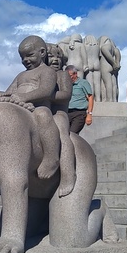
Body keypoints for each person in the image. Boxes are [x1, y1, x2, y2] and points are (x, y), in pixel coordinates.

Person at [6, 35, 60, 180]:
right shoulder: (20, 75)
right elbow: (8, 93)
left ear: (42, 52)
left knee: (42, 114)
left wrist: (23, 97)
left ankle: (51, 157)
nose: (25, 60)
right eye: (22, 57)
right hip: (19, 110)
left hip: (37, 109)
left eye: (29, 55)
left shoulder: (47, 71)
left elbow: (46, 90)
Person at [46, 43, 76, 196]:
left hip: (58, 113)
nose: (56, 60)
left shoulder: (62, 75)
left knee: (63, 135)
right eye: (51, 56)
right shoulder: (39, 75)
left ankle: (68, 174)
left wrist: (45, 95)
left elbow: (66, 95)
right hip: (39, 113)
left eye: (59, 57)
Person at [67, 65, 94, 134]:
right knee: (65, 134)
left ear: (75, 74)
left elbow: (90, 98)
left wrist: (89, 114)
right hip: (67, 112)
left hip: (79, 113)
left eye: (70, 76)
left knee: (72, 134)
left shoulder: (83, 83)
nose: (69, 78)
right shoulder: (67, 84)